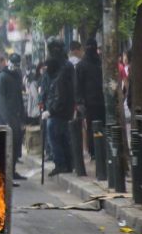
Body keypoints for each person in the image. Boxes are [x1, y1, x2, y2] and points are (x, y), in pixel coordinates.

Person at [44, 38, 75, 176]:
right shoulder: (65, 67)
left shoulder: (61, 73)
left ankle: (61, 164)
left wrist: (50, 110)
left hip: (59, 112)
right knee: (63, 138)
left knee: (55, 138)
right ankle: (67, 164)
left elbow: (60, 96)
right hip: (64, 110)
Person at [0, 53, 27, 180]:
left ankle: (12, 171)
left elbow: (19, 97)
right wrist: (5, 119)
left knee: (16, 144)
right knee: (9, 145)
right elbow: (1, 99)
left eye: (17, 64)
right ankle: (6, 173)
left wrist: (23, 117)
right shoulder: (2, 77)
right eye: (13, 63)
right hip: (7, 116)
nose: (15, 66)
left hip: (16, 115)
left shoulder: (17, 75)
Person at [75, 39, 104, 159]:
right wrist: (80, 101)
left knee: (95, 128)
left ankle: (95, 151)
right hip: (94, 102)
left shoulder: (99, 63)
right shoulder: (99, 63)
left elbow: (78, 85)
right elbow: (78, 85)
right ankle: (95, 151)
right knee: (96, 127)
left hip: (95, 103)